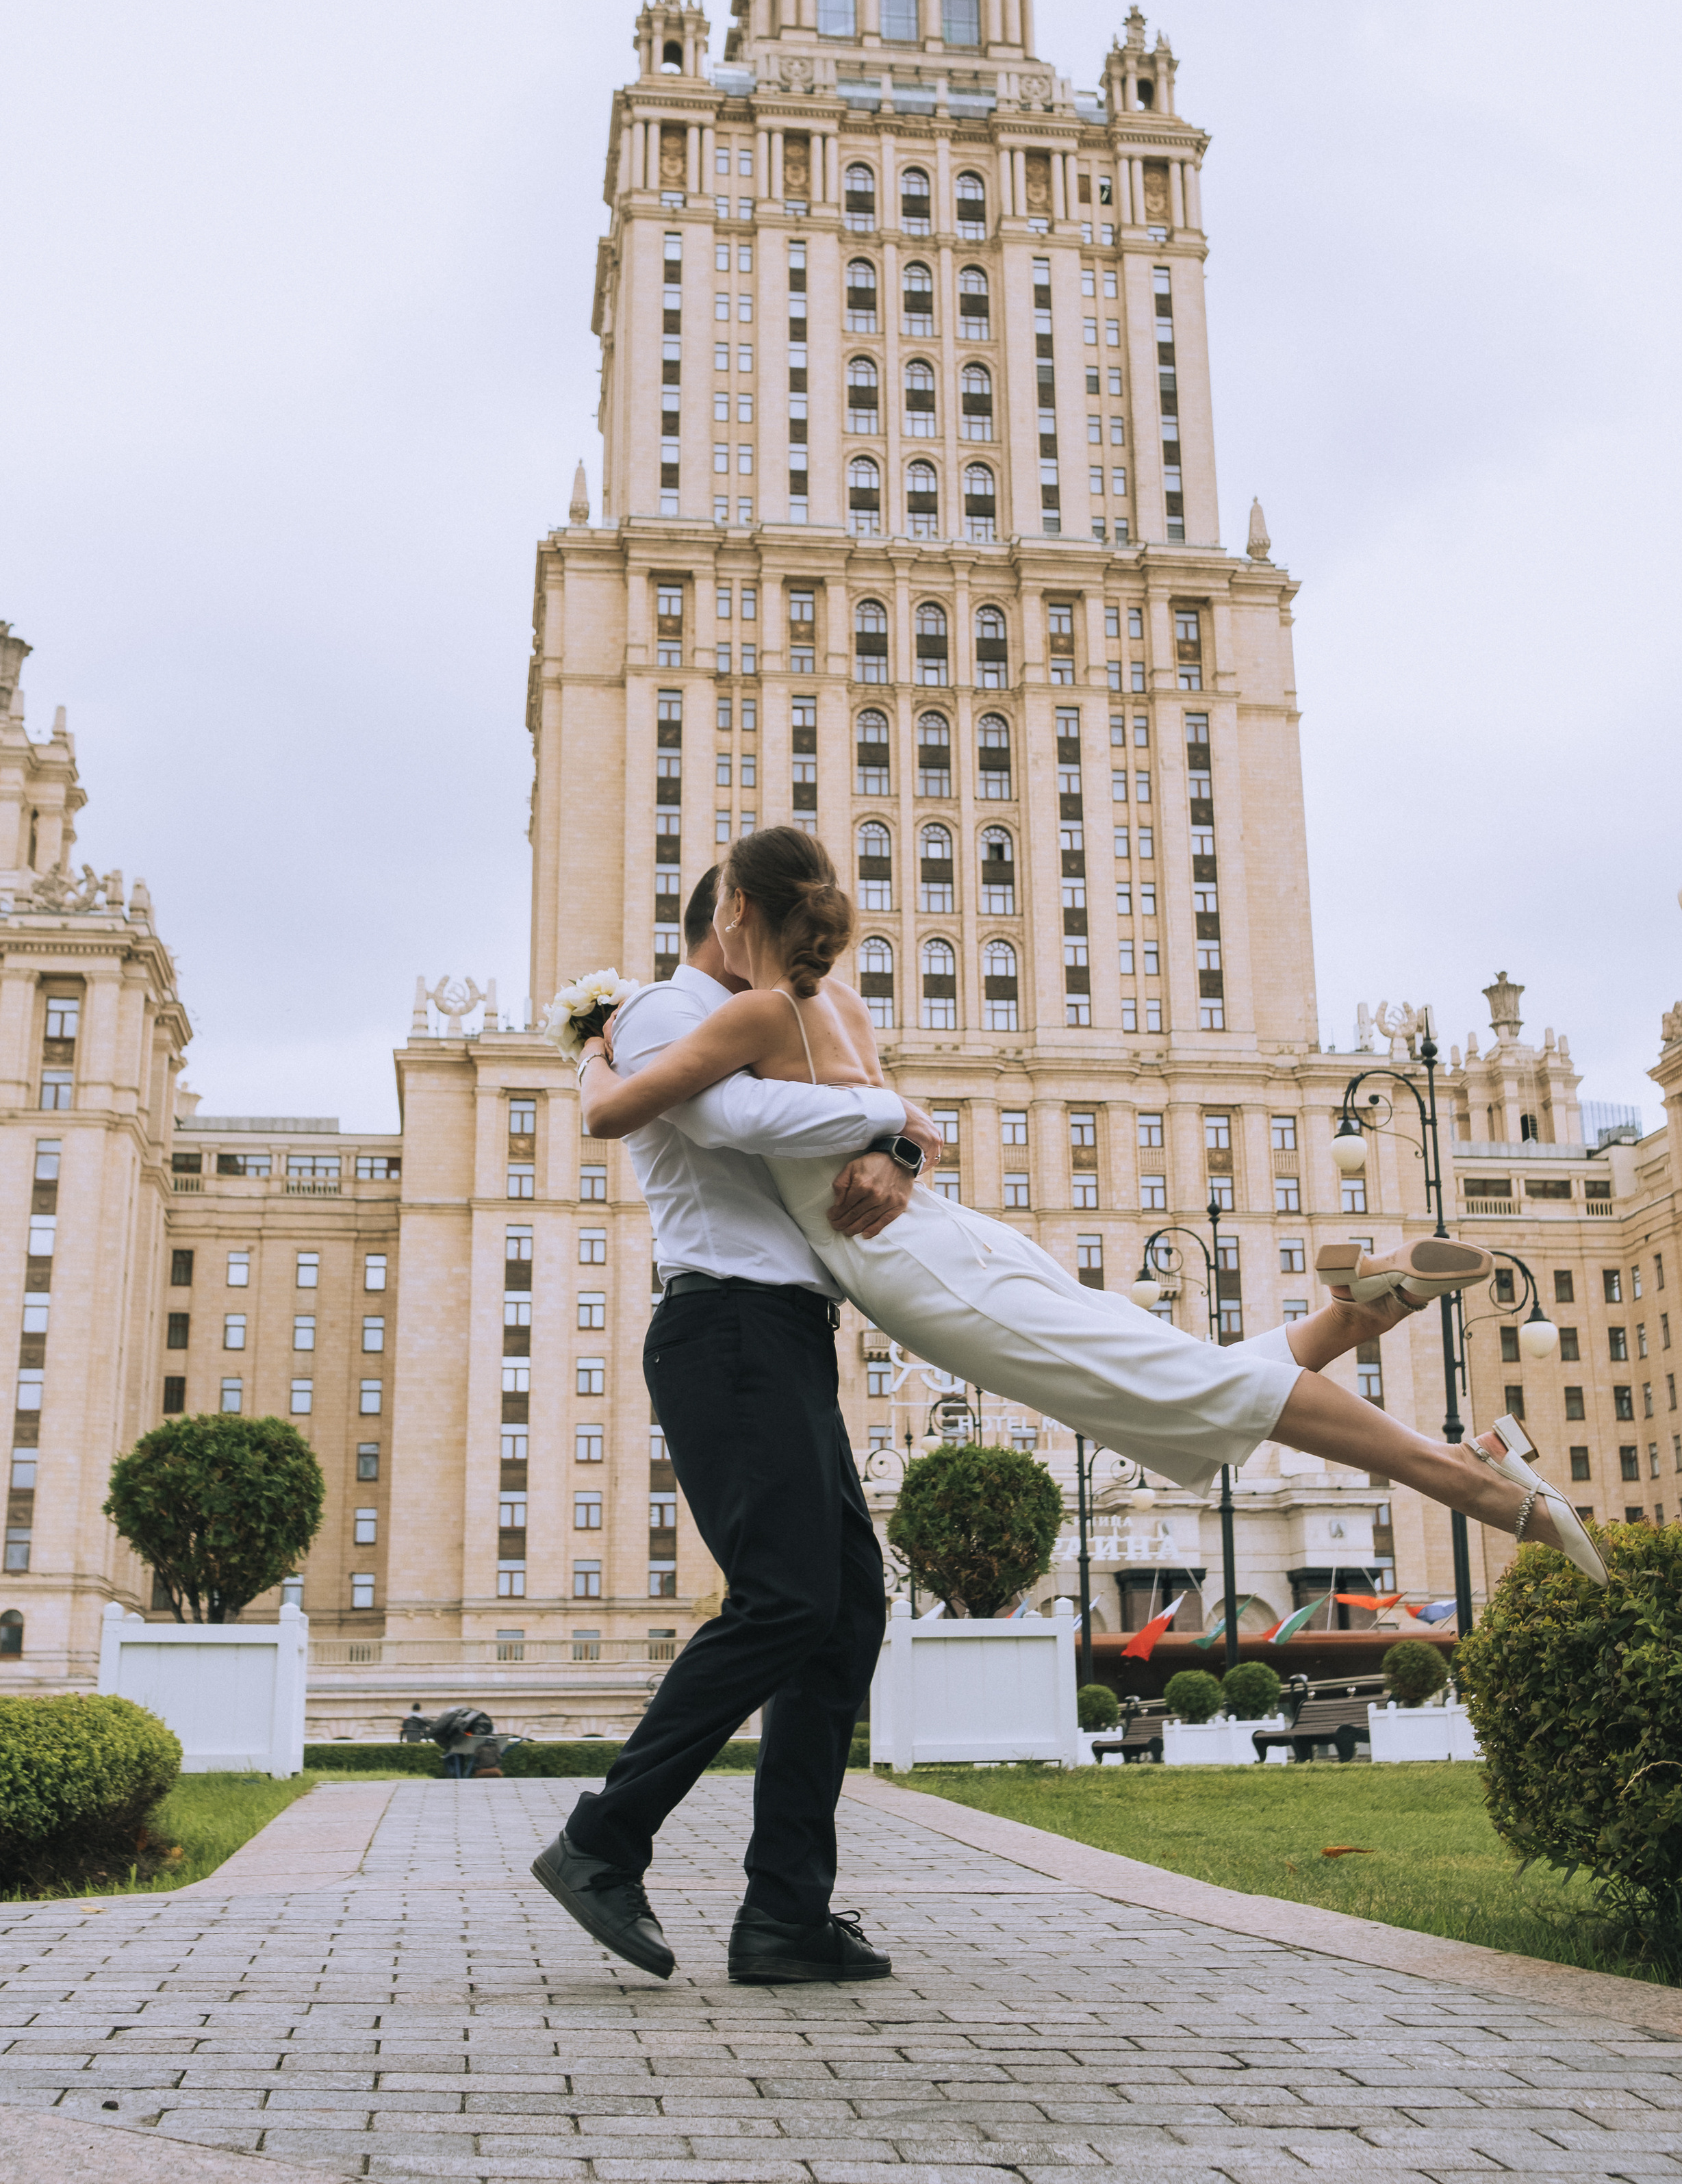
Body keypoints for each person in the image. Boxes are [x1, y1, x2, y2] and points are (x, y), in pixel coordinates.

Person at [578, 827, 1611, 1603]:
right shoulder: (841, 1006)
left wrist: (593, 1040)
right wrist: (899, 1132)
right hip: (953, 1235)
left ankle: (1470, 1481)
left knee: (1170, 1380)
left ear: (734, 915)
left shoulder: (752, 1014)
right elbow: (894, 1124)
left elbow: (653, 1116)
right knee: (1146, 1371)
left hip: (913, 1266)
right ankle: (1351, 1314)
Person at [531, 863, 939, 1987]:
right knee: (788, 1601)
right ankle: (602, 1842)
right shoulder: (673, 1009)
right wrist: (895, 1114)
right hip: (726, 1326)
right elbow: (725, 1115)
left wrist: (899, 1149)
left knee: (848, 1610)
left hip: (784, 1332)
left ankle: (784, 1917)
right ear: (735, 916)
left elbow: (865, 1125)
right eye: (804, 936)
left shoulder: (771, 1017)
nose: (817, 966)